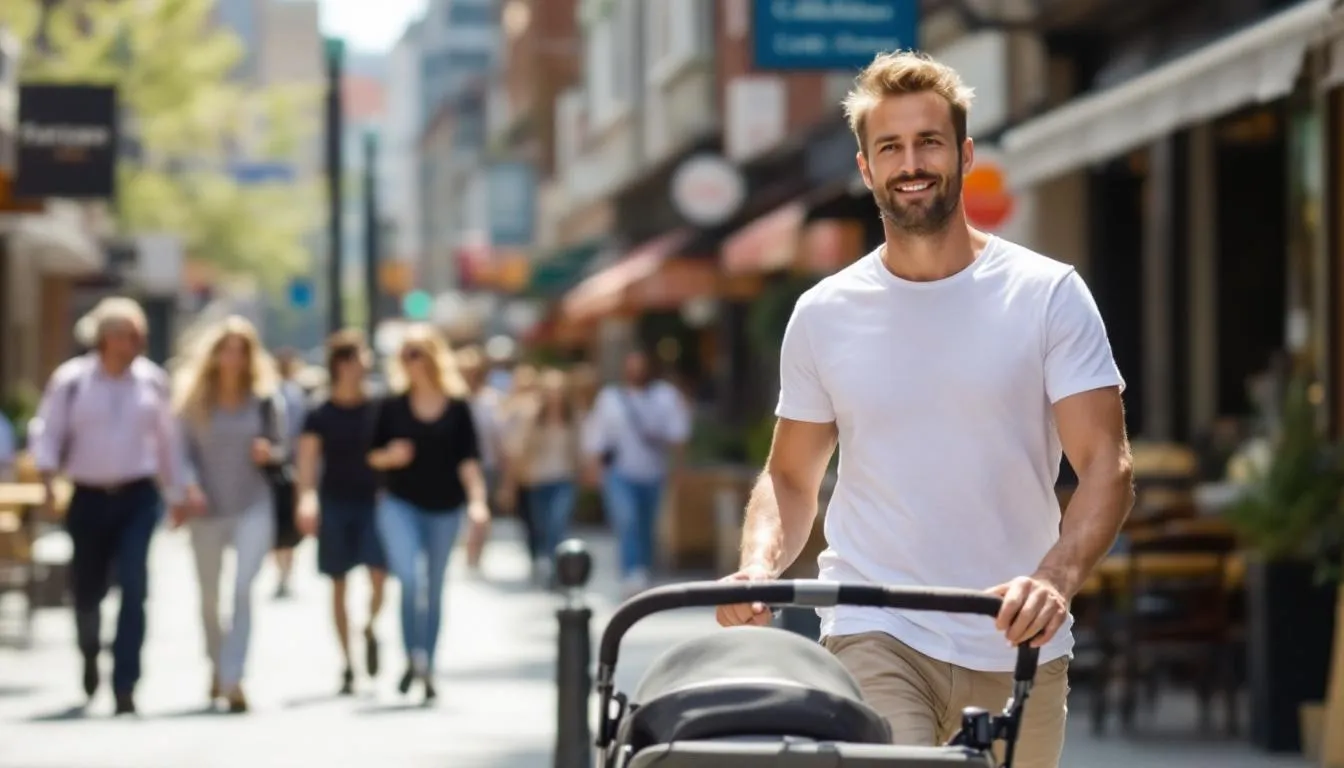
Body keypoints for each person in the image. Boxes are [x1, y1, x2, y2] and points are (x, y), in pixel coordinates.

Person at [714, 51, 1134, 768]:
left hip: (1014, 638)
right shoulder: (823, 314)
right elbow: (789, 477)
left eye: (929, 142)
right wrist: (758, 566)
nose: (911, 164)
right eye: (891, 148)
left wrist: (1054, 580)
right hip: (874, 628)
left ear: (964, 155)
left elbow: (1106, 465)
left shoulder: (1047, 295)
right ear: (866, 168)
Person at [29, 297, 186, 716]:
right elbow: (48, 431)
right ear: (105, 337)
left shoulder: (152, 382)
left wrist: (177, 493)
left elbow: (168, 443)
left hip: (137, 495)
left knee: (134, 585)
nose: (133, 343)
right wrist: (47, 480)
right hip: (88, 495)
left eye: (138, 336)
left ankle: (125, 682)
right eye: (126, 335)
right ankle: (89, 652)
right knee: (87, 589)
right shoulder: (72, 381)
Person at [367, 324, 490, 704]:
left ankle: (428, 665)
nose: (410, 361)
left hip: (445, 508)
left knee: (434, 588)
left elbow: (469, 461)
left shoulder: (457, 407)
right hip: (399, 503)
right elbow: (371, 456)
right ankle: (413, 656)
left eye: (416, 353)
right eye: (405, 355)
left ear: (433, 357)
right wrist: (391, 456)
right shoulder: (391, 405)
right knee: (409, 578)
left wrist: (478, 503)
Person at [173, 315, 289, 713]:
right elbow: (181, 452)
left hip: (252, 503)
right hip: (206, 508)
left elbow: (281, 448)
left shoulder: (265, 399)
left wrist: (269, 453)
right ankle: (216, 664)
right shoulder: (194, 400)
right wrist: (189, 486)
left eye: (242, 351)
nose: (234, 358)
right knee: (209, 596)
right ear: (214, 354)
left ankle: (233, 677)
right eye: (227, 350)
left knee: (242, 589)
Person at [295, 330, 387, 695]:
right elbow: (307, 462)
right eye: (353, 359)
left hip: (373, 502)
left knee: (379, 576)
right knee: (338, 583)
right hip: (335, 501)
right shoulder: (320, 412)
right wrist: (306, 499)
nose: (359, 367)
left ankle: (369, 626)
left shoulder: (378, 406)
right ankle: (348, 663)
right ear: (339, 364)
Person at [583, 350, 691, 597]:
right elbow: (598, 436)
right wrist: (593, 468)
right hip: (619, 473)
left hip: (653, 474)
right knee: (627, 521)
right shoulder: (610, 398)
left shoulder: (665, 396)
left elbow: (678, 435)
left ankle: (644, 568)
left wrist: (678, 469)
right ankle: (632, 572)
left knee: (646, 525)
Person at [503, 368, 583, 586]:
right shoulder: (532, 416)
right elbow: (516, 448)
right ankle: (544, 561)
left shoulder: (571, 417)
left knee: (558, 523)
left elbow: (578, 448)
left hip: (563, 478)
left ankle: (555, 565)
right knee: (541, 526)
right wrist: (510, 483)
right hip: (537, 480)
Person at [454, 345, 504, 575]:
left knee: (481, 512)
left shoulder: (490, 401)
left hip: (486, 465)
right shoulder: (453, 400)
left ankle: (475, 554)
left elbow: (499, 436)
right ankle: (465, 549)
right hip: (456, 465)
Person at [270, 347, 307, 598]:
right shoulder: (273, 391)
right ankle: (282, 572)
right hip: (276, 468)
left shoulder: (295, 394)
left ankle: (286, 572)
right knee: (280, 525)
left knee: (288, 525)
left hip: (291, 466)